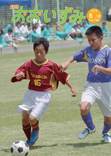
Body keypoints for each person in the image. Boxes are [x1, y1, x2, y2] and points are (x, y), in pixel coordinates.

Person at [11, 37, 76, 147]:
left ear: (46, 51)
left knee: (32, 118)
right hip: (30, 93)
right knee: (25, 118)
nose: (39, 54)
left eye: (41, 52)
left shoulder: (51, 65)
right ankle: (29, 141)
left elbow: (61, 76)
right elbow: (20, 70)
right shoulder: (29, 63)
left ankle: (35, 130)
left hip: (44, 95)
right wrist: (19, 74)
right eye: (36, 51)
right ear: (34, 51)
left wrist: (71, 87)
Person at [62, 26, 111, 143]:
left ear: (101, 37)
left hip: (106, 87)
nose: (90, 42)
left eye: (93, 40)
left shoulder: (108, 51)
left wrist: (100, 68)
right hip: (91, 85)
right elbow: (75, 56)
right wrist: (66, 63)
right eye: (89, 40)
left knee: (109, 118)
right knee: (83, 107)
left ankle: (105, 133)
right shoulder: (88, 51)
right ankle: (90, 128)